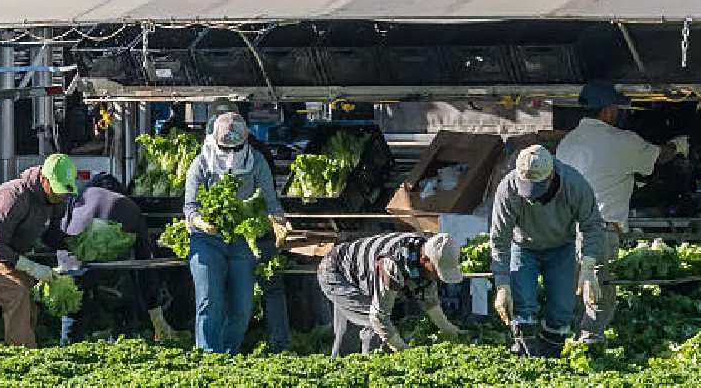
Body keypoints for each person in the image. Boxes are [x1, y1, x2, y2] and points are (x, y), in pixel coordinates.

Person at [556, 81, 686, 345]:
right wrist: (678, 146)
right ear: (607, 111)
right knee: (600, 290)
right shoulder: (621, 141)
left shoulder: (567, 143)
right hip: (599, 231)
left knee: (576, 288)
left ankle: (566, 340)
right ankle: (590, 345)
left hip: (566, 230)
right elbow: (658, 157)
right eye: (616, 108)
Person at [184, 112, 287, 354]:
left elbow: (270, 201)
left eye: (236, 148)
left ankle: (228, 353)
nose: (231, 154)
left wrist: (278, 223)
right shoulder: (201, 163)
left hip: (241, 241)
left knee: (242, 306)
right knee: (210, 302)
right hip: (206, 240)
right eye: (225, 148)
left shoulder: (256, 161)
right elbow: (190, 206)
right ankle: (208, 356)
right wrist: (199, 221)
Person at [491, 145, 604, 357]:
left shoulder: (574, 184)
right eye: (527, 187)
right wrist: (502, 284)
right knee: (522, 304)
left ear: (551, 176)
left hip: (562, 247)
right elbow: (500, 238)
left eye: (537, 188)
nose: (532, 195)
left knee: (562, 307)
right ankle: (525, 356)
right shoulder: (508, 189)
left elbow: (592, 226)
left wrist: (588, 268)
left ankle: (550, 358)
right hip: (523, 246)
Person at [0, 154, 75, 348]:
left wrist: (76, 245)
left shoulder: (58, 199)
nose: (60, 196)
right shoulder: (15, 195)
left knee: (29, 297)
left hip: (12, 251)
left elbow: (51, 236)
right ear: (44, 179)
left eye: (63, 193)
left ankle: (24, 342)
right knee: (17, 293)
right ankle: (21, 355)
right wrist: (31, 267)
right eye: (57, 191)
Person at [57, 173, 177, 344]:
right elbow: (144, 263)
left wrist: (62, 273)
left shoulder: (79, 197)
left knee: (73, 312)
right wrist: (155, 312)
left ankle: (67, 349)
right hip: (110, 271)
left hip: (74, 266)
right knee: (125, 305)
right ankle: (122, 344)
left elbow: (62, 234)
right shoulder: (129, 206)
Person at [317, 232, 465, 357]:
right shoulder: (393, 264)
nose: (438, 278)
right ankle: (368, 370)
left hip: (357, 271)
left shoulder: (425, 252)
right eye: (437, 272)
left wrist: (448, 328)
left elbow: (429, 300)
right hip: (336, 272)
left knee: (360, 325)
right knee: (372, 325)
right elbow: (378, 317)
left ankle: (347, 363)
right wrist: (403, 351)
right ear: (424, 260)